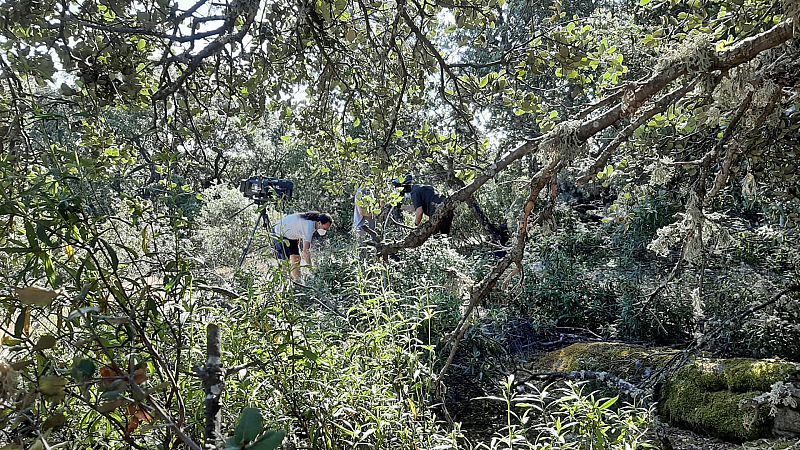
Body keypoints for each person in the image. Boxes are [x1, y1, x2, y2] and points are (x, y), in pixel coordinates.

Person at [272, 211, 332, 280]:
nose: (325, 231)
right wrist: (311, 269)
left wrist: (298, 242)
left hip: (290, 234)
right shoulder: (309, 227)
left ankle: (297, 280)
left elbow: (299, 228)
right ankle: (284, 283)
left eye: (327, 229)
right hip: (279, 232)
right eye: (324, 229)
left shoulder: (312, 222)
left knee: (296, 258)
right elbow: (306, 252)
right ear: (319, 223)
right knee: (285, 262)